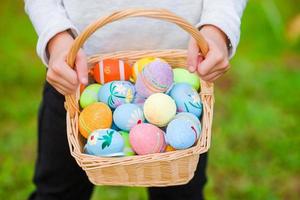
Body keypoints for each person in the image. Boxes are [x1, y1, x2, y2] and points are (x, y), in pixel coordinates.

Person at [25, 1, 247, 199]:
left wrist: (217, 27)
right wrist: (55, 37)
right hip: (76, 76)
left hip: (182, 70)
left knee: (181, 193)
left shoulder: (178, 109)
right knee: (58, 191)